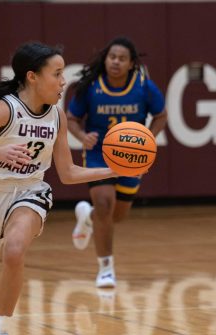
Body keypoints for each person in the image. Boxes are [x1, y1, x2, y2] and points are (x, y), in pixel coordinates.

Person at [0, 42, 117, 335]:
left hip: (30, 191)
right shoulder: (4, 108)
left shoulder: (56, 115)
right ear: (32, 77)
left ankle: (0, 334)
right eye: (57, 74)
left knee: (14, 251)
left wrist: (114, 169)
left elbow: (67, 173)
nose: (63, 81)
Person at [67, 37, 167, 288]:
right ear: (105, 59)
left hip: (131, 155)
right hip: (98, 153)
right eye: (112, 57)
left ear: (132, 63)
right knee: (103, 203)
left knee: (115, 216)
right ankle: (106, 269)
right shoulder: (91, 85)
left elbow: (161, 115)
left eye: (122, 58)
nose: (115, 62)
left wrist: (148, 140)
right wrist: (81, 136)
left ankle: (86, 216)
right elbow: (71, 118)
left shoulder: (143, 85)